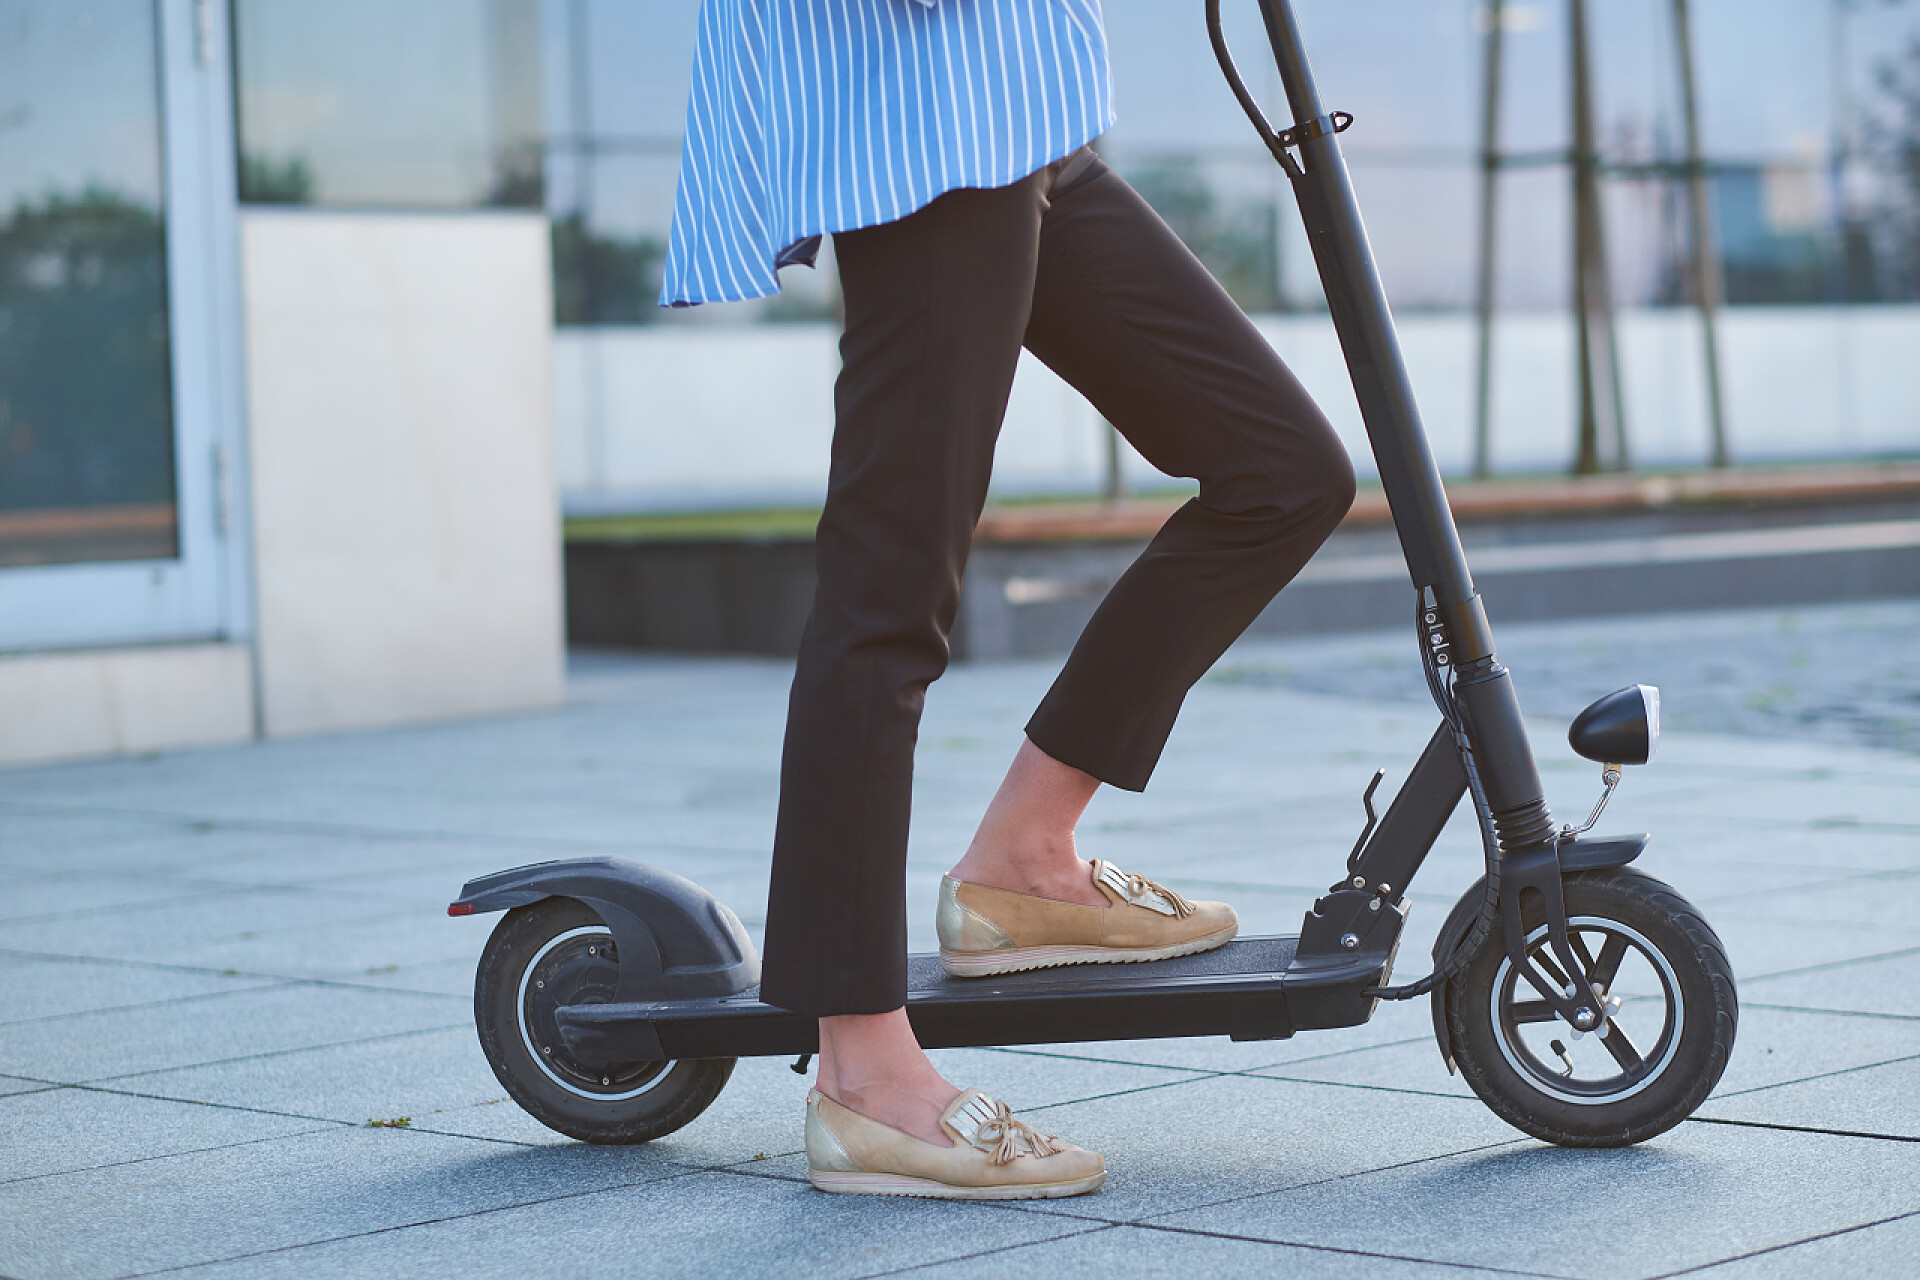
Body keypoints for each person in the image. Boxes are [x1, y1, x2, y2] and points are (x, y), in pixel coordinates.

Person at [662, 0, 1354, 1200]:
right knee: (886, 603)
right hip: (912, 124)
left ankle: (1024, 857)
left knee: (1284, 470)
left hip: (1022, 111)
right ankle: (864, 1074)